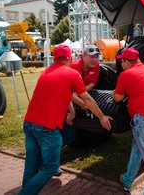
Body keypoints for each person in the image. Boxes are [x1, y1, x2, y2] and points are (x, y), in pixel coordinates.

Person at [19, 45, 112, 195]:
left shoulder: (46, 72)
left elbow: (65, 93)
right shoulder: (71, 73)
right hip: (47, 127)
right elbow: (87, 98)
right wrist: (101, 117)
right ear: (70, 58)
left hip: (29, 123)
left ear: (55, 58)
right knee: (49, 168)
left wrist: (74, 110)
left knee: (31, 164)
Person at [112, 47, 144, 195]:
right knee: (137, 150)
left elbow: (117, 98)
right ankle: (127, 180)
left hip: (143, 119)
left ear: (127, 62)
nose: (121, 64)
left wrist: (114, 94)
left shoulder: (126, 74)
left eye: (122, 61)